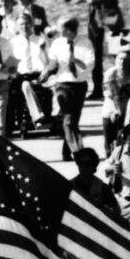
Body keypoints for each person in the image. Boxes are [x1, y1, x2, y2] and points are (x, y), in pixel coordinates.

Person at [36, 16, 87, 160]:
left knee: (73, 121)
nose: (58, 30)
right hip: (62, 85)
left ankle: (66, 151)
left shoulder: (84, 43)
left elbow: (89, 65)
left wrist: (78, 62)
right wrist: (46, 72)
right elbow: (53, 62)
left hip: (79, 85)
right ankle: (79, 152)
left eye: (61, 27)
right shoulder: (57, 43)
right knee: (69, 119)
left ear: (68, 29)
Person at [100, 49, 130, 156]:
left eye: (126, 60)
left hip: (128, 112)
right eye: (120, 59)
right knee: (109, 143)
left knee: (124, 143)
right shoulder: (111, 73)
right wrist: (115, 111)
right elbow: (110, 95)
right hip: (111, 111)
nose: (123, 62)